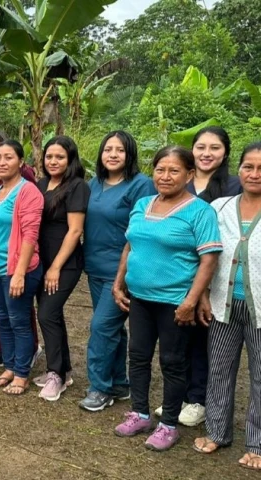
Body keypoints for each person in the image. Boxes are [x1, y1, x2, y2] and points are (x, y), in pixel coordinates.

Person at [112, 146, 221, 452]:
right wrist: (118, 282)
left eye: (174, 171)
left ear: (189, 174)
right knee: (138, 356)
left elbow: (209, 259)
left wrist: (191, 300)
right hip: (140, 298)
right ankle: (140, 413)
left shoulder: (200, 211)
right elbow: (129, 246)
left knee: (173, 363)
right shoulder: (143, 203)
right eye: (160, 169)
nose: (166, 176)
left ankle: (168, 424)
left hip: (174, 300)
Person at [193, 142, 261, 470]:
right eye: (249, 167)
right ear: (239, 169)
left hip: (259, 309)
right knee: (219, 369)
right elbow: (205, 253)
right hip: (222, 304)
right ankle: (218, 431)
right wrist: (203, 294)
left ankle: (257, 442)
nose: (255, 174)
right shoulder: (219, 207)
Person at [169, 126, 243, 426]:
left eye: (214, 148)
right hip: (177, 272)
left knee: (203, 338)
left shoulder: (234, 185)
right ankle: (184, 394)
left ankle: (199, 399)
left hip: (215, 274)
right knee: (178, 338)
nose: (206, 153)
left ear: (225, 152)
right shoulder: (180, 179)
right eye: (201, 147)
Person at [79, 131, 155, 412]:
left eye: (120, 150)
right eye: (108, 149)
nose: (112, 154)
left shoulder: (141, 185)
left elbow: (141, 233)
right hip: (95, 269)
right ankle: (119, 382)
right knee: (112, 329)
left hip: (121, 273)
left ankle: (99, 388)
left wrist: (122, 278)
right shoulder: (94, 184)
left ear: (130, 154)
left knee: (100, 327)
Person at [0, 140, 44, 395]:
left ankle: (21, 373)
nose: (2, 162)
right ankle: (9, 366)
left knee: (19, 321)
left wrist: (19, 273)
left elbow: (30, 234)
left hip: (18, 269)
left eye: (8, 157)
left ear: (20, 161)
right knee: (3, 320)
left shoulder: (27, 191)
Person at [33, 136, 90, 401]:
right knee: (50, 315)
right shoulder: (41, 184)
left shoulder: (77, 186)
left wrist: (55, 267)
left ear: (70, 160)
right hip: (40, 260)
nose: (53, 161)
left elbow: (75, 230)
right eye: (49, 156)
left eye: (59, 157)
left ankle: (55, 373)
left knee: (47, 313)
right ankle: (64, 370)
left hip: (64, 263)